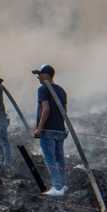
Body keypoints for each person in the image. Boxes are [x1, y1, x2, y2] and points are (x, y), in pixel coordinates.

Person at [32, 64, 69, 197]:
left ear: (45, 75)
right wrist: (61, 126)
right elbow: (64, 111)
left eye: (39, 75)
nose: (38, 78)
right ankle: (63, 185)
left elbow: (45, 109)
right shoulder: (61, 90)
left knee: (50, 159)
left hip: (48, 130)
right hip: (59, 129)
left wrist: (39, 128)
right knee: (60, 159)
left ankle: (57, 187)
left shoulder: (42, 89)